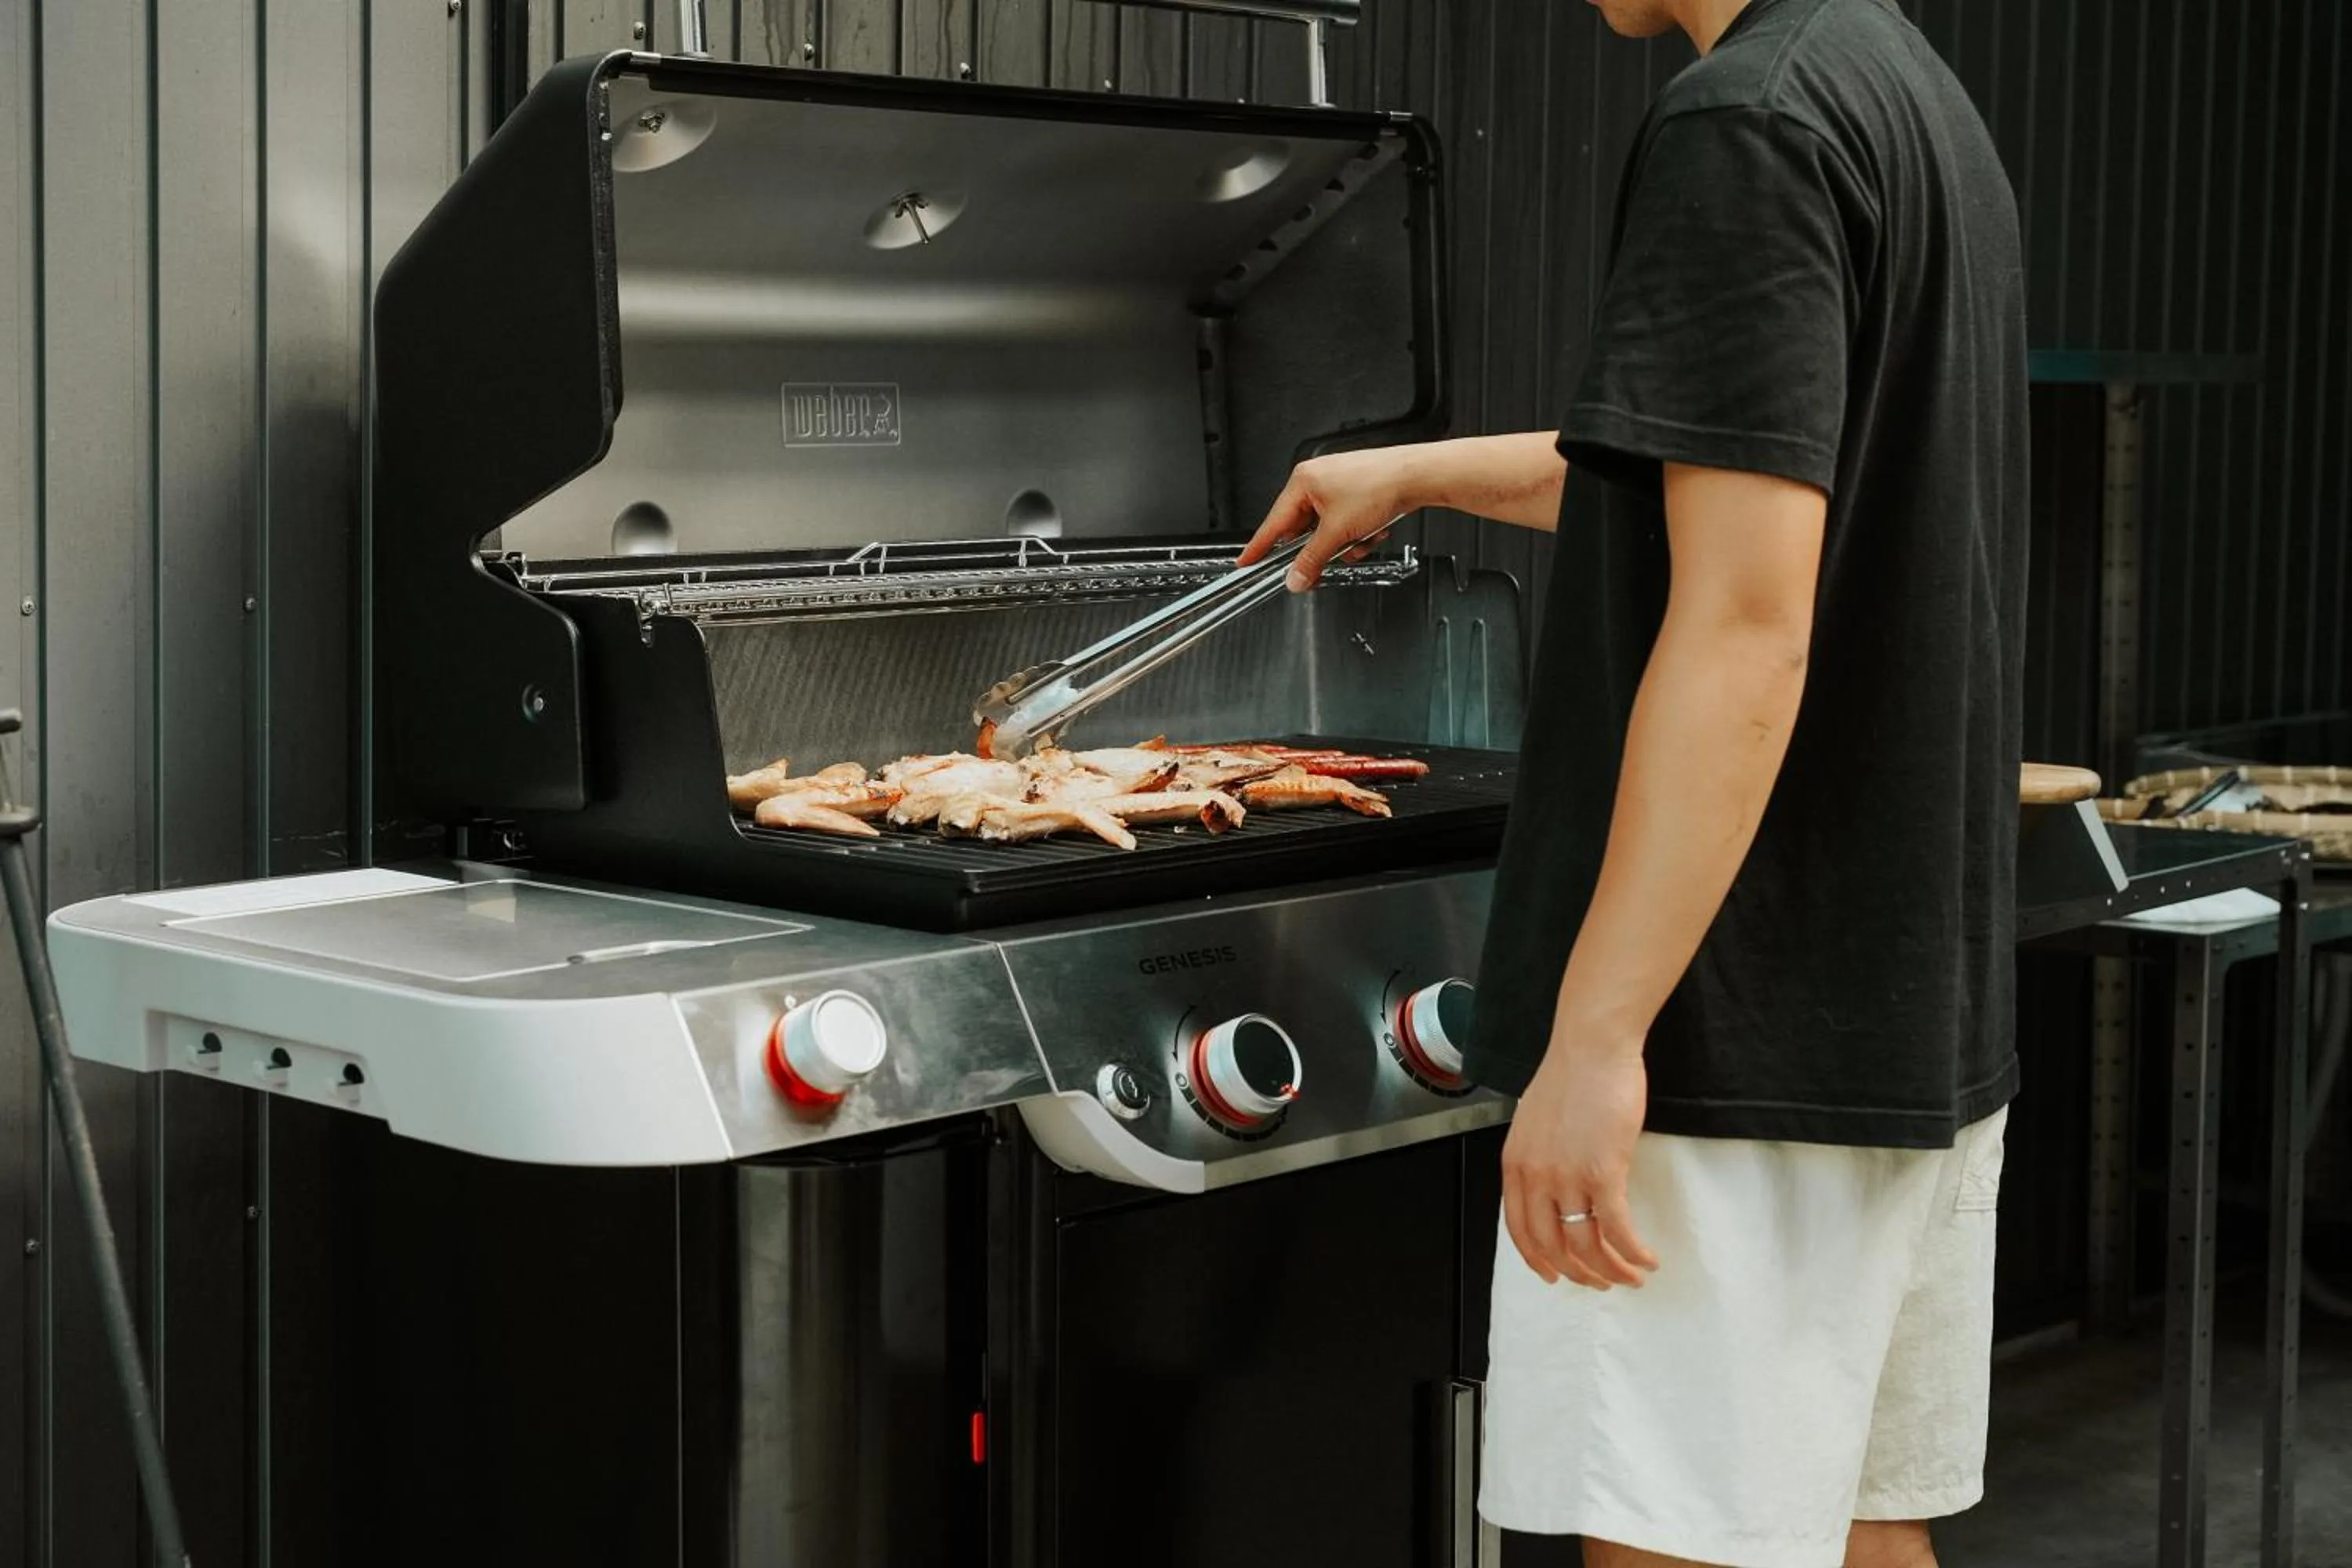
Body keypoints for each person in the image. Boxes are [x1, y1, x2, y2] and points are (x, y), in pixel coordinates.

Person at [1241, 0, 2027, 1563]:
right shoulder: (1899, 97)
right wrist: (1418, 470)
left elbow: (1744, 623)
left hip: (1729, 1033)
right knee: (1863, 1534)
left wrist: (1596, 1038)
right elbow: (1718, 462)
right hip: (1893, 1015)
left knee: (1676, 1543)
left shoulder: (1743, 125)